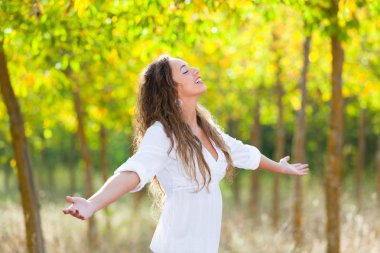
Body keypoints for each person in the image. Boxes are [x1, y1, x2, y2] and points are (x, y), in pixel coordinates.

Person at [62, 55, 309, 253]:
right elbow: (135, 171)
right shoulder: (163, 133)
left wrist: (281, 167)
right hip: (177, 246)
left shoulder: (207, 129)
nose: (196, 70)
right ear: (170, 89)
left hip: (204, 245)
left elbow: (243, 153)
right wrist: (93, 204)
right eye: (185, 71)